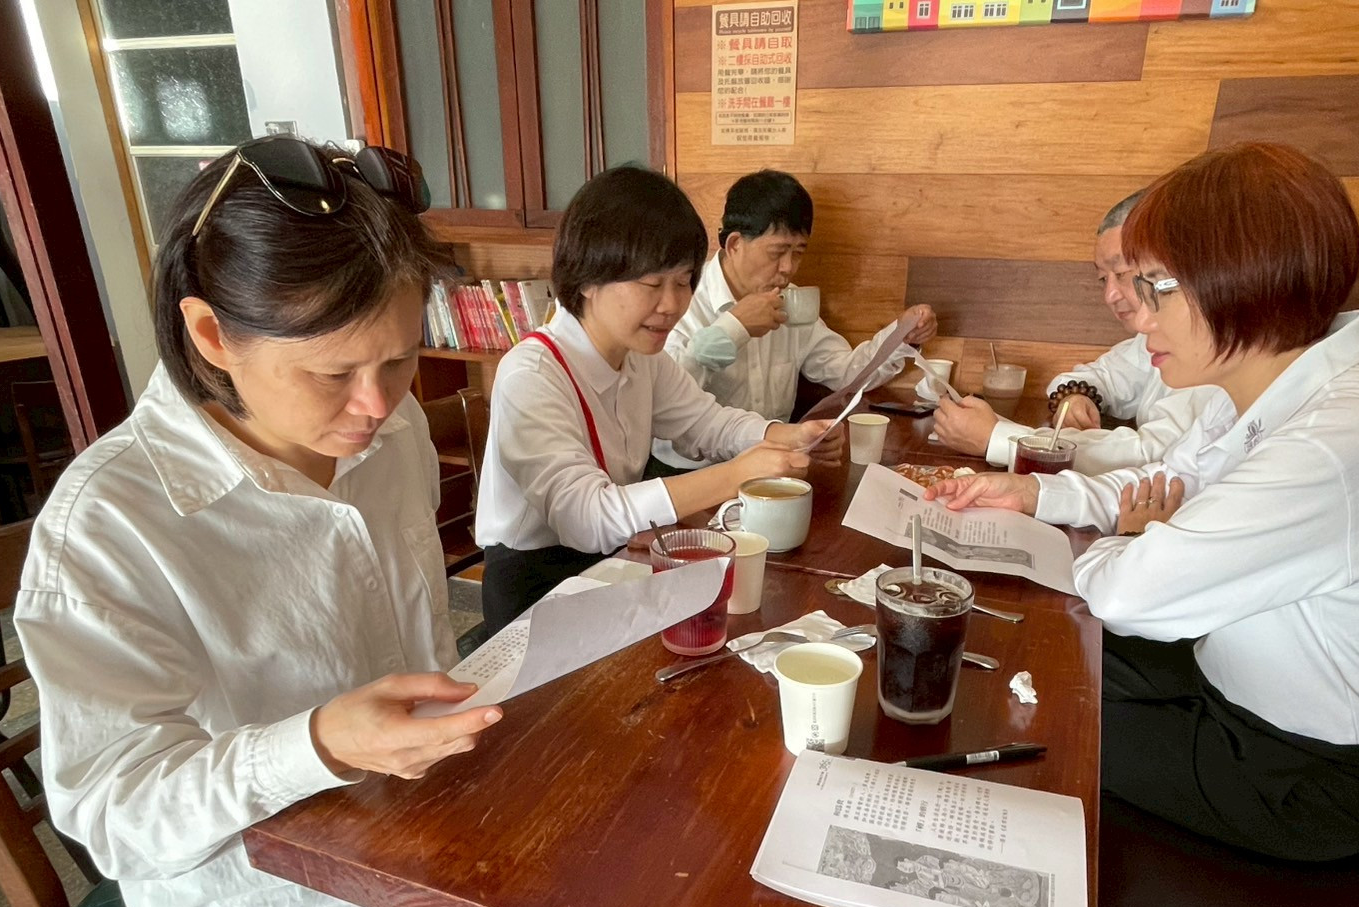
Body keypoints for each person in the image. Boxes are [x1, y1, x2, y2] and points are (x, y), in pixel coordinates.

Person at [15, 135, 633, 907]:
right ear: (212, 335)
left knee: (640, 895)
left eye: (399, 357)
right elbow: (113, 814)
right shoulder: (107, 526)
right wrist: (316, 744)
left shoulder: (391, 429)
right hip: (256, 888)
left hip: (422, 805)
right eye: (333, 372)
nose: (376, 405)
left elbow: (418, 632)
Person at [926, 143, 1359, 863]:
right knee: (1025, 655)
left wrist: (1131, 539)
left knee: (1020, 713)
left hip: (1308, 774)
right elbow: (1157, 483)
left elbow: (1128, 595)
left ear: (1242, 280)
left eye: (1156, 288)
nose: (1139, 318)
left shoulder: (1339, 435)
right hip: (1226, 678)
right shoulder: (1257, 392)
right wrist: (1032, 492)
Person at [475, 166, 837, 636]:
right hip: (532, 586)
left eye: (683, 281)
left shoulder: (641, 357)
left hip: (612, 560)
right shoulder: (532, 374)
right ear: (587, 277)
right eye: (652, 284)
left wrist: (784, 435)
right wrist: (733, 475)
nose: (672, 305)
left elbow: (707, 423)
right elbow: (585, 517)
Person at [649, 169, 937, 473]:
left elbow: (846, 374)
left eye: (798, 252)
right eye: (778, 252)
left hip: (774, 465)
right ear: (734, 245)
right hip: (689, 471)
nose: (788, 267)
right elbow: (667, 404)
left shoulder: (794, 302)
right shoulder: (683, 300)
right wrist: (733, 329)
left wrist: (901, 335)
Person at [929, 189, 1219, 474]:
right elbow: (1096, 376)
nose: (1109, 295)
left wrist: (998, 439)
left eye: (1122, 273)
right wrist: (1076, 398)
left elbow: (1156, 457)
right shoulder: (1155, 337)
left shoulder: (1214, 344)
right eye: (1103, 279)